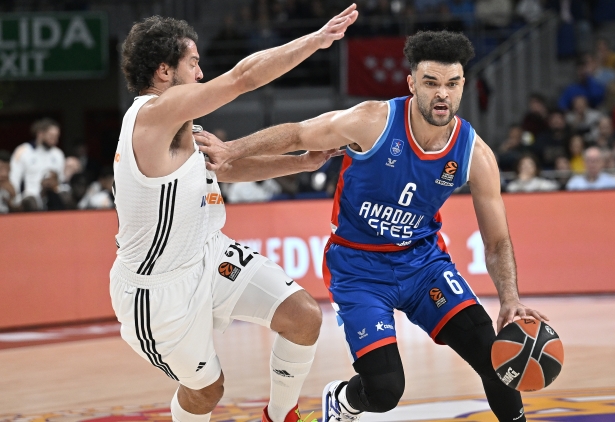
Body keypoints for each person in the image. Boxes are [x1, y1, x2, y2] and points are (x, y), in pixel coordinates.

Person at [198, 30, 548, 422]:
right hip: (358, 269)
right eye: (431, 83)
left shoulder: (475, 154)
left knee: (497, 360)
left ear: (463, 85)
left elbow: (497, 241)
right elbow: (298, 133)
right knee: (384, 391)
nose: (442, 94)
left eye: (452, 84)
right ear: (412, 83)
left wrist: (510, 298)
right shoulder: (372, 121)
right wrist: (232, 149)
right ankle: (342, 402)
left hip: (423, 267)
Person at [111, 8, 357, 422]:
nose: (201, 73)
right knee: (207, 392)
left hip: (209, 254)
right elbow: (243, 78)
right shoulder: (152, 115)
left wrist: (301, 163)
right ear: (164, 71)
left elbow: (227, 168)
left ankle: (281, 415)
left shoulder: (185, 128)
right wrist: (315, 40)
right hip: (158, 290)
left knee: (303, 316)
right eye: (193, 63)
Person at [9, 118, 64, 211]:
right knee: (31, 201)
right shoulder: (23, 151)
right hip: (30, 197)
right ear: (40, 133)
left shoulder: (58, 154)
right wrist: (15, 201)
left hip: (51, 196)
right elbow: (14, 178)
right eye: (51, 136)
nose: (55, 140)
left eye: (56, 137)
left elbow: (61, 179)